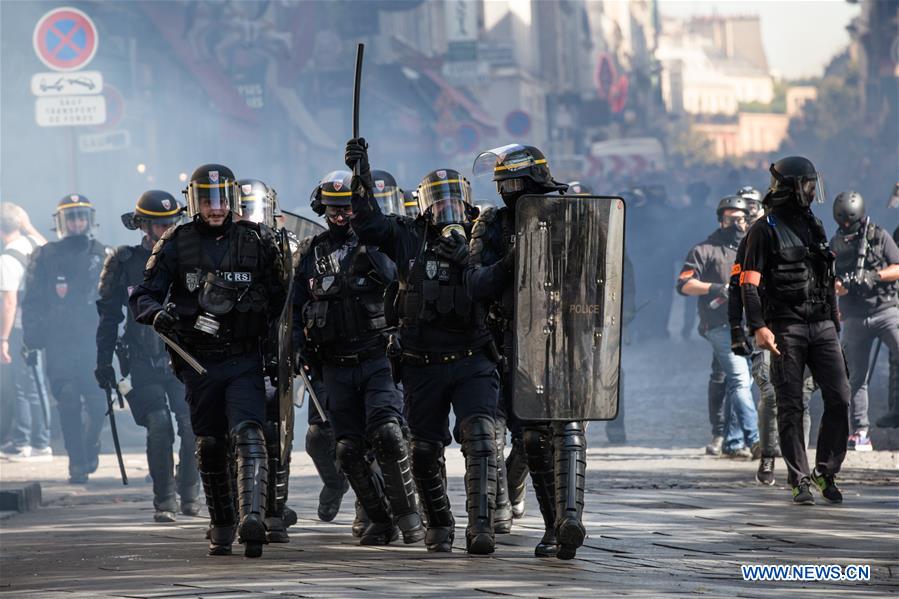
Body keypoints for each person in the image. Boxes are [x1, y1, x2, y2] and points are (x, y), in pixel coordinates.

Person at [345, 138, 500, 555]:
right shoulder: (407, 236)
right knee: (425, 450)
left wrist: (469, 257)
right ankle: (439, 523)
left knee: (481, 437)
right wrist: (361, 176)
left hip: (472, 356)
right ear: (424, 206)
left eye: (455, 199)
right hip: (421, 361)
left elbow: (504, 274)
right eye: (438, 200)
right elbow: (369, 225)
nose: (447, 207)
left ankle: (481, 526)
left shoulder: (483, 237)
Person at [129, 164, 287, 557]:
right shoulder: (176, 242)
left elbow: (283, 299)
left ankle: (253, 518)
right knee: (212, 443)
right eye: (207, 200)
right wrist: (156, 314)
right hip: (198, 361)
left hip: (244, 358)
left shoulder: (257, 240)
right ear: (193, 202)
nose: (215, 208)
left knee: (250, 433)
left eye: (221, 200)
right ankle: (222, 523)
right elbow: (144, 294)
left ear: (232, 200)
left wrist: (280, 350)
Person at [466, 144, 586, 560]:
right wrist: (510, 263)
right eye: (501, 184)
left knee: (568, 428)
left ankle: (571, 519)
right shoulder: (493, 224)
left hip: (565, 338)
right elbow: (476, 284)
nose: (506, 192)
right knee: (532, 437)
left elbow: (598, 276)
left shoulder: (572, 215)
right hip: (514, 339)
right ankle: (554, 527)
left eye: (513, 183)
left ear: (534, 180)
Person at [292, 169, 423, 546]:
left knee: (387, 434)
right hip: (333, 364)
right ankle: (379, 520)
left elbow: (404, 283)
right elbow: (296, 306)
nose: (340, 215)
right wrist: (295, 346)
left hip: (377, 358)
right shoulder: (312, 253)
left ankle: (409, 515)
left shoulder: (382, 243)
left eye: (347, 208)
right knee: (347, 449)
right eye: (333, 208)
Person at [738, 156, 849, 505]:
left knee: (840, 397)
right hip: (786, 327)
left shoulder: (815, 224)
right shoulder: (763, 229)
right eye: (808, 185)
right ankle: (799, 479)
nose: (813, 192)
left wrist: (834, 322)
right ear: (791, 187)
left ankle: (825, 471)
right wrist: (758, 327)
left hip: (823, 325)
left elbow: (826, 278)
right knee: (790, 405)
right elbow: (748, 283)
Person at [96, 191, 199, 521]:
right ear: (143, 225)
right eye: (159, 225)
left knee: (192, 425)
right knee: (158, 424)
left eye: (172, 223)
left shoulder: (191, 258)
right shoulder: (124, 262)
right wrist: (103, 362)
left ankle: (189, 490)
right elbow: (109, 317)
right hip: (142, 362)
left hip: (183, 358)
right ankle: (164, 499)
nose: (167, 230)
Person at [21, 195, 108, 483]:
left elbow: (114, 301)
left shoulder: (102, 254)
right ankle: (77, 462)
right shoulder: (46, 255)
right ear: (61, 222)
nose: (77, 222)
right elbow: (32, 301)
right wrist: (32, 337)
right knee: (68, 399)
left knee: (97, 405)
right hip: (59, 343)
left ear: (89, 219)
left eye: (81, 217)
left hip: (93, 343)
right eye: (71, 218)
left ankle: (91, 444)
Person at [730, 188, 814, 486]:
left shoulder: (810, 233)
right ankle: (768, 454)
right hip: (766, 326)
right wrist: (738, 328)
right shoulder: (755, 238)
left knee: (802, 396)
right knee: (770, 392)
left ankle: (799, 465)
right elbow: (738, 286)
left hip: (804, 326)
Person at [677, 196, 759, 459]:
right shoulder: (704, 250)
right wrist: (716, 288)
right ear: (720, 220)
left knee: (744, 382)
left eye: (740, 219)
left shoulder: (754, 248)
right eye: (729, 219)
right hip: (720, 326)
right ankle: (755, 439)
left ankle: (733, 441)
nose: (735, 224)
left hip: (752, 325)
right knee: (739, 379)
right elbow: (684, 284)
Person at [830, 191, 899, 449]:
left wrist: (874, 276)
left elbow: (897, 267)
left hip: (885, 311)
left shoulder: (878, 235)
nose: (847, 228)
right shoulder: (834, 244)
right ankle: (860, 432)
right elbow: (828, 281)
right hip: (854, 318)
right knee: (856, 377)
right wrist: (839, 287)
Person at [0, 202, 49, 461]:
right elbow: (49, 248)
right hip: (39, 325)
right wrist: (28, 226)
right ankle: (36, 440)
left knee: (23, 386)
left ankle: (28, 442)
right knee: (36, 383)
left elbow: (9, 302)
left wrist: (3, 338)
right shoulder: (33, 244)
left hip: (19, 328)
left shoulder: (8, 258)